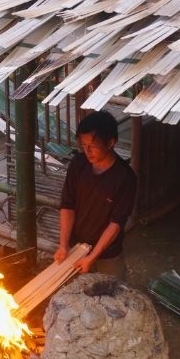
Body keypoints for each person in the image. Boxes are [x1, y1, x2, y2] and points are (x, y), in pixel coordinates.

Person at [53, 110, 137, 279]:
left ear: (110, 142)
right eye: (83, 146)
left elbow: (116, 223)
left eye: (92, 146)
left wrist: (93, 256)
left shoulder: (125, 177)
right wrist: (63, 245)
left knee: (112, 296)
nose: (87, 151)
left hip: (108, 254)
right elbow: (67, 206)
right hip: (75, 249)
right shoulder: (78, 164)